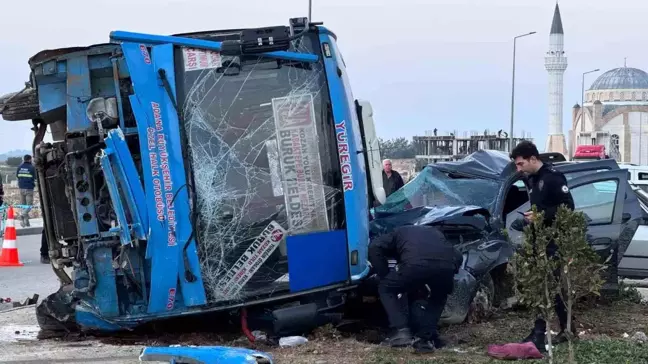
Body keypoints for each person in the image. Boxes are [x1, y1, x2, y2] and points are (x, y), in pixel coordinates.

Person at [509, 141, 576, 349]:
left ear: (533, 159)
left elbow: (568, 207)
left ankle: (539, 333)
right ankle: (568, 330)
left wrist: (541, 215)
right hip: (540, 239)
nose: (518, 169)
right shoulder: (531, 179)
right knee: (550, 288)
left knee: (546, 285)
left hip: (554, 240)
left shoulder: (553, 178)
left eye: (521, 164)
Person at [368, 225, 462, 352]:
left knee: (386, 288)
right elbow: (457, 255)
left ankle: (401, 331)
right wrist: (450, 270)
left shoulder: (397, 232)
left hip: (414, 264)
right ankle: (425, 337)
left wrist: (384, 274)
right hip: (446, 266)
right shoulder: (436, 234)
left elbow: (374, 247)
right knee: (438, 297)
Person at [16, 154, 36, 228]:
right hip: (29, 188)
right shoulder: (32, 168)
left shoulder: (19, 167)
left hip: (21, 188)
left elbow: (17, 176)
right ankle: (22, 214)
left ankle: (26, 223)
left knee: (24, 206)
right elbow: (35, 177)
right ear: (30, 159)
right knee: (29, 206)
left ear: (24, 159)